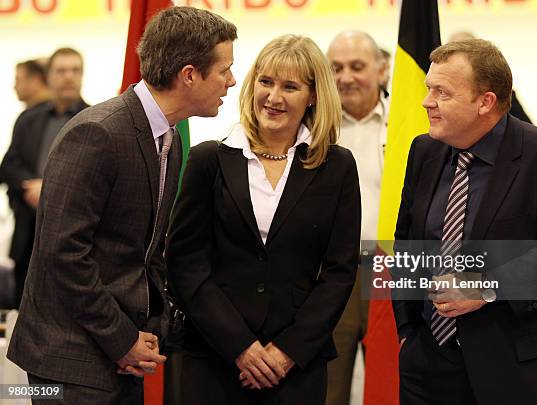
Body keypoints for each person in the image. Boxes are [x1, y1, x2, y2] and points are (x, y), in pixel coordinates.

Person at [7, 7, 237, 404]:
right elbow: (61, 255)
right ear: (189, 74)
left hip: (119, 353)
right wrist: (122, 338)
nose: (232, 82)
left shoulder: (170, 138)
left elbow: (146, 253)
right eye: (224, 70)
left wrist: (148, 331)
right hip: (71, 359)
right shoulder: (97, 133)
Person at [393, 39, 537, 405]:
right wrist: (409, 330)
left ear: (485, 102)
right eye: (429, 89)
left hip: (519, 368)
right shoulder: (424, 150)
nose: (427, 102)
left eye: (442, 92)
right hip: (429, 368)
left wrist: (487, 286)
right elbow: (406, 241)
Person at [166, 34, 361, 405]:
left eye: (290, 86)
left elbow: (339, 272)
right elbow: (185, 265)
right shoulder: (209, 160)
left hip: (297, 367)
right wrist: (241, 348)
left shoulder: (337, 166)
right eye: (265, 82)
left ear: (314, 95)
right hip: (215, 360)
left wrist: (286, 353)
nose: (273, 97)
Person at [326, 30, 387, 405]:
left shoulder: (411, 121)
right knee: (328, 387)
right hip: (334, 272)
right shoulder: (314, 129)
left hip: (396, 268)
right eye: (336, 68)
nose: (346, 77)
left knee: (391, 382)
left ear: (382, 71)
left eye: (357, 67)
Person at [0, 48, 88, 309]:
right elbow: (10, 165)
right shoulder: (28, 119)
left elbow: (92, 177)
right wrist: (30, 186)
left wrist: (48, 189)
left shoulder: (96, 119)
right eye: (61, 71)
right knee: (22, 309)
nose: (69, 77)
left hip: (74, 239)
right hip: (28, 232)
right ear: (48, 77)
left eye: (75, 70)